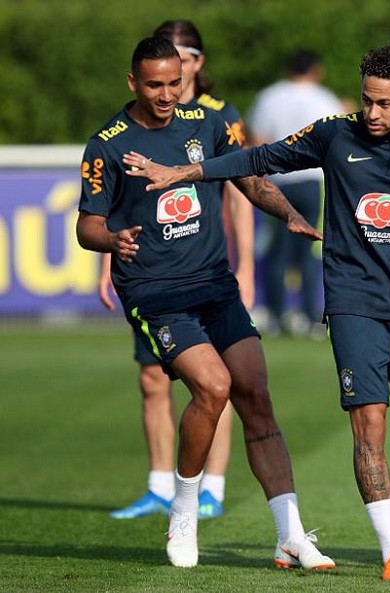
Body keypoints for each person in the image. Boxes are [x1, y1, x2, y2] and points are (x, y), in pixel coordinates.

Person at [123, 44, 390, 582]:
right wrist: (188, 171)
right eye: (366, 100)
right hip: (353, 304)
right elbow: (257, 158)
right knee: (370, 425)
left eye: (385, 103)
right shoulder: (334, 134)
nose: (372, 113)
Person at [77, 36, 334, 570]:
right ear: (132, 82)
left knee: (255, 394)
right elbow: (87, 225)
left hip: (215, 283)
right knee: (213, 387)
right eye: (154, 85)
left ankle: (290, 535)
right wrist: (113, 239)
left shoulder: (207, 124)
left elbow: (248, 180)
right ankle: (184, 512)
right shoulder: (107, 144)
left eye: (174, 83)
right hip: (155, 292)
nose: (166, 94)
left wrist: (287, 214)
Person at [100, 18, 253, 521]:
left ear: (196, 63)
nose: (174, 73)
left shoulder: (218, 117)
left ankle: (212, 486)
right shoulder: (125, 128)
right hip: (151, 277)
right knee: (152, 378)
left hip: (205, 272)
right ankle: (159, 485)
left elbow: (241, 192)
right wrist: (106, 259)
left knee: (215, 380)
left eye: (184, 58)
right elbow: (118, 204)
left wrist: (247, 266)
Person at [247, 49, 345, 337]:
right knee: (310, 249)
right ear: (316, 70)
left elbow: (258, 141)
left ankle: (277, 316)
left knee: (277, 251)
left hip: (278, 181)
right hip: (312, 180)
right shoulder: (325, 98)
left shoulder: (269, 97)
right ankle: (311, 317)